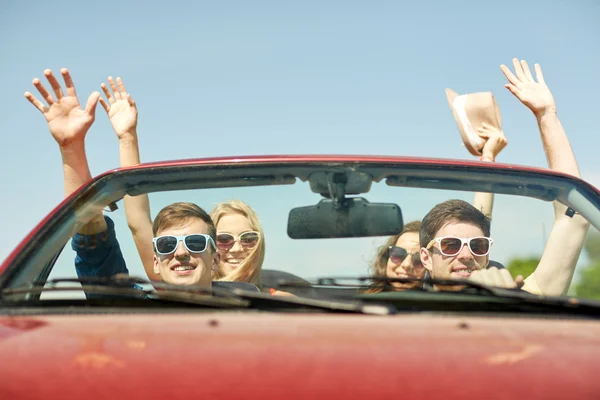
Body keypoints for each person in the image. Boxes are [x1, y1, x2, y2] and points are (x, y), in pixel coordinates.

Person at [419, 59, 589, 295]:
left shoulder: (521, 301)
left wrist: (546, 116)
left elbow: (575, 214)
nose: (466, 255)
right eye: (450, 246)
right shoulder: (397, 314)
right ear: (426, 257)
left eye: (478, 246)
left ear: (487, 254)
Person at [98, 78, 272, 289]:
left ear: (260, 243)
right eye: (225, 239)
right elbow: (138, 222)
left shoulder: (286, 302)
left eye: (248, 239)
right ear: (211, 248)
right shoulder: (178, 282)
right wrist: (127, 138)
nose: (236, 249)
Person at [368, 116, 507, 293]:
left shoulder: (435, 299)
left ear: (428, 262)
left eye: (417, 259)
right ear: (386, 258)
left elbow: (477, 219)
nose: (407, 265)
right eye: (398, 254)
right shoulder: (351, 305)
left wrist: (489, 157)